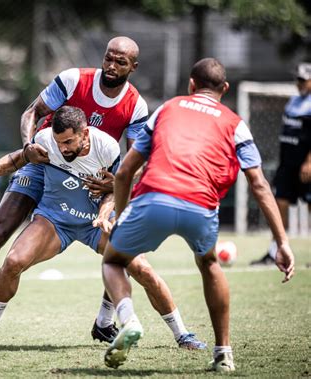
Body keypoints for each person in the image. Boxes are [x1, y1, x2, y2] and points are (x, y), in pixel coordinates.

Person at [0, 36, 206, 349]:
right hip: (44, 164)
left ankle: (132, 325)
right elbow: (30, 119)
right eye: (108, 58)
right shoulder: (72, 82)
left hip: (93, 187)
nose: (111, 65)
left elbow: (132, 166)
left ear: (132, 67)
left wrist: (115, 189)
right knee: (1, 235)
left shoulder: (131, 112)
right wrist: (25, 150)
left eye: (120, 62)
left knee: (134, 261)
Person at [99, 58, 295, 372]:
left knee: (113, 259)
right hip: (201, 206)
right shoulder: (235, 123)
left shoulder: (168, 108)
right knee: (208, 263)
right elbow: (258, 183)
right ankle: (223, 354)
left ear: (191, 84)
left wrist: (122, 218)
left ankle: (129, 320)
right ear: (225, 89)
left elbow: (124, 173)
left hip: (154, 198)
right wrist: (281, 241)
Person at [251, 62, 311, 265]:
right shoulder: (293, 102)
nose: (299, 84)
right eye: (298, 80)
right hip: (287, 165)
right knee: (279, 204)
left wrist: (309, 162)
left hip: (306, 166)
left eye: (303, 80)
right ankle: (274, 251)